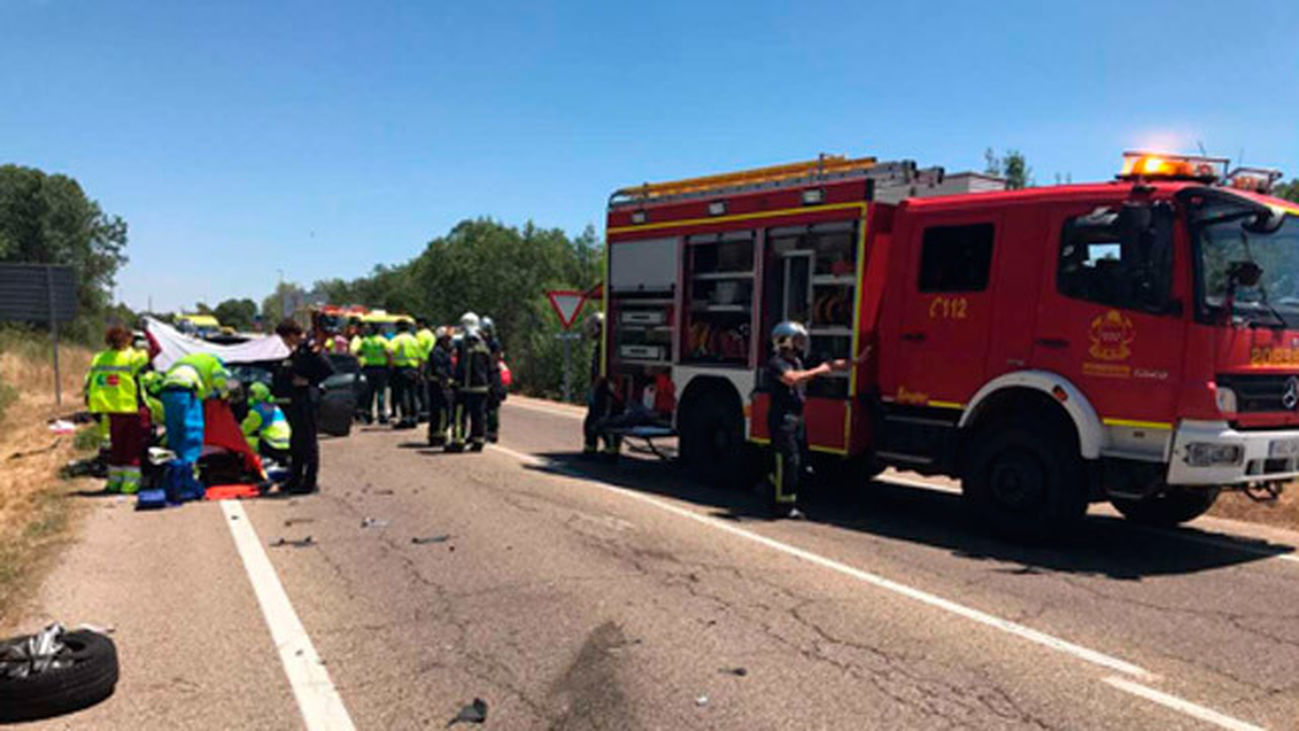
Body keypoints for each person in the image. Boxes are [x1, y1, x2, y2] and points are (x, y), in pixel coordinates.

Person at [763, 321, 849, 520]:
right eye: (797, 339)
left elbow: (827, 366)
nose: (801, 343)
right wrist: (820, 370)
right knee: (787, 461)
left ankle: (776, 490)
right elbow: (791, 379)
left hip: (797, 418)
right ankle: (781, 505)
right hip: (782, 418)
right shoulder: (777, 363)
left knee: (799, 461)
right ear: (784, 341)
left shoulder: (798, 362)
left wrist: (853, 361)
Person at [84, 326, 150, 493]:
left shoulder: (99, 358)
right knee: (132, 449)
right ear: (127, 339)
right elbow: (155, 350)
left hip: (109, 409)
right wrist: (150, 330)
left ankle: (113, 484)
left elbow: (89, 381)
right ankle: (129, 486)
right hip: (129, 408)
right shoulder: (131, 357)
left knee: (117, 449)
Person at [160, 351, 233, 501]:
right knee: (192, 432)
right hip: (187, 391)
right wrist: (224, 395)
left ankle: (175, 477)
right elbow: (219, 380)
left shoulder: (187, 360)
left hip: (167, 391)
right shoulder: (214, 363)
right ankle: (188, 479)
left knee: (175, 432)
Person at [273, 319, 334, 494]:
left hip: (308, 398)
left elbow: (328, 369)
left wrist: (309, 381)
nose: (284, 343)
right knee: (296, 441)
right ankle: (295, 478)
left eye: (285, 339)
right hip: (296, 400)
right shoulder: (298, 350)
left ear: (292, 335)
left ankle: (309, 483)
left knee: (308, 442)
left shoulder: (310, 348)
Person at [449, 325, 495, 452]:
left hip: (466, 388)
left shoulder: (466, 350)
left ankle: (458, 441)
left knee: (459, 415)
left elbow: (461, 368)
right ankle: (478, 441)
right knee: (478, 416)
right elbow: (490, 369)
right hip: (482, 389)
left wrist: (455, 381)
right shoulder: (485, 349)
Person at [580, 313, 620, 460]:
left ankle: (592, 450)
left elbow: (601, 371)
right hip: (609, 388)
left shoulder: (604, 347)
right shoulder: (609, 344)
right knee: (608, 418)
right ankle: (611, 450)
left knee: (595, 420)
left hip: (604, 389)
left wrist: (593, 389)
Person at [241, 381, 292, 466]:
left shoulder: (256, 411)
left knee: (244, 441)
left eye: (251, 394)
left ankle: (252, 465)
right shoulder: (275, 407)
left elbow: (243, 431)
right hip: (287, 444)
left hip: (272, 445)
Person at [387, 320, 423, 429]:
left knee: (403, 394)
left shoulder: (397, 339)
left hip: (401, 369)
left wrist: (391, 364)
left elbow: (389, 351)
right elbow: (421, 356)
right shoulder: (414, 340)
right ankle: (414, 418)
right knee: (413, 394)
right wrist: (420, 370)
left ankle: (405, 418)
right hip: (414, 368)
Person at [354, 323, 392, 424]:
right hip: (381, 369)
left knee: (369, 393)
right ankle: (381, 415)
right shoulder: (383, 340)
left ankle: (368, 415)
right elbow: (389, 353)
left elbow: (358, 353)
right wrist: (390, 365)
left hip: (368, 368)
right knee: (380, 392)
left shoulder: (366, 341)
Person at [425, 327, 455, 447]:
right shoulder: (437, 352)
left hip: (440, 384)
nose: (449, 342)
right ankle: (439, 436)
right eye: (447, 339)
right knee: (442, 411)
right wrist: (447, 380)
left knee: (439, 411)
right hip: (439, 385)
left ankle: (437, 435)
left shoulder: (443, 351)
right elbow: (440, 369)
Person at [479, 316, 504, 442]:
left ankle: (492, 432)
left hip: (492, 376)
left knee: (492, 406)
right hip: (485, 375)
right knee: (483, 406)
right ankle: (484, 431)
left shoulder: (493, 343)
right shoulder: (481, 342)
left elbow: (495, 359)